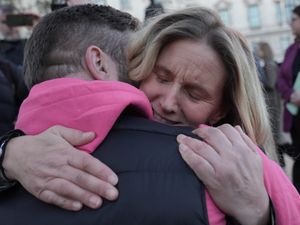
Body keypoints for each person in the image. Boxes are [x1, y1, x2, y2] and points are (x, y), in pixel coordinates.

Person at [1, 5, 299, 225]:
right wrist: (8, 154)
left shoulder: (248, 168)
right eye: (162, 76)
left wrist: (259, 212)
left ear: (222, 108)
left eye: (195, 93)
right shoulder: (33, 144)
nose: (168, 102)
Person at [277, 5, 300, 193]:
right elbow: (281, 79)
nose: (290, 23)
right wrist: (290, 95)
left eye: (293, 19)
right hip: (295, 115)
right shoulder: (291, 49)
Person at [256, 41, 285, 166]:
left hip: (273, 104)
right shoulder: (266, 64)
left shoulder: (270, 65)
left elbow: (271, 83)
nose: (256, 52)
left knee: (277, 136)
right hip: (271, 103)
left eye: (258, 49)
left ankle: (282, 163)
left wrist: (259, 78)